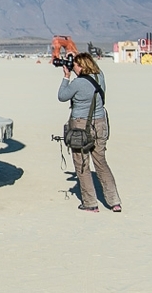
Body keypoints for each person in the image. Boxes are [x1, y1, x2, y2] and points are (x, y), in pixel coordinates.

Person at [57, 51, 122, 213]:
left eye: (75, 66)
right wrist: (76, 57)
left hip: (80, 125)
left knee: (82, 164)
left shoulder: (78, 83)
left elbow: (62, 96)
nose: (74, 68)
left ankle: (90, 203)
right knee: (101, 162)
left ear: (81, 66)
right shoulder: (100, 76)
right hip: (100, 123)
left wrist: (66, 76)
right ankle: (114, 201)